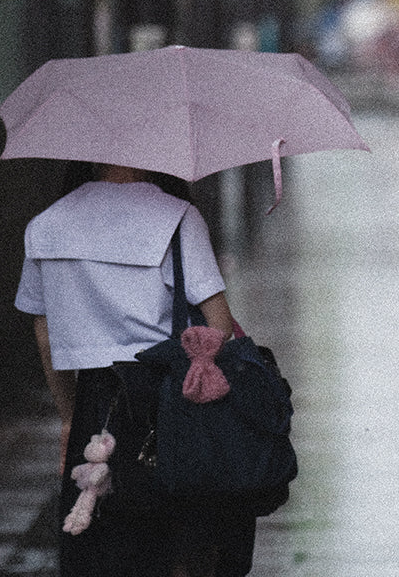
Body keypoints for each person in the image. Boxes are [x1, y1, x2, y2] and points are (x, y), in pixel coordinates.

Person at [15, 162, 255, 577]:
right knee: (174, 541)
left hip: (94, 403)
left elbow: (45, 337)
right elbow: (219, 324)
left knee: (96, 540)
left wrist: (70, 417)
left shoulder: (44, 226)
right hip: (168, 400)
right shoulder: (178, 217)